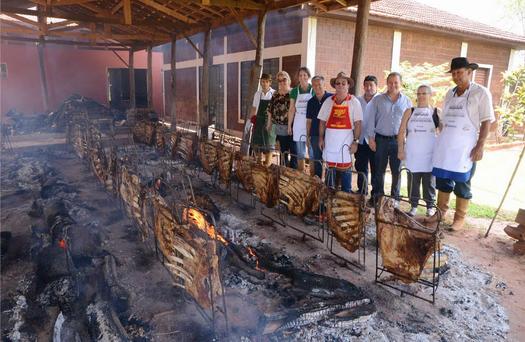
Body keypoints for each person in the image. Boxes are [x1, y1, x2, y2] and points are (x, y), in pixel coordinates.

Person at [432, 57, 495, 230]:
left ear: (469, 72)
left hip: (466, 147)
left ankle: (459, 218)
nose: (456, 76)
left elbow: (487, 121)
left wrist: (480, 145)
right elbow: (443, 120)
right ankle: (439, 214)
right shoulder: (449, 94)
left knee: (463, 181)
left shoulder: (480, 93)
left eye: (459, 72)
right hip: (446, 145)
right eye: (453, 73)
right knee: (443, 180)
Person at [367, 72, 412, 205]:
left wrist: (407, 142)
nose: (393, 85)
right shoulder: (378, 100)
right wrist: (371, 138)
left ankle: (395, 199)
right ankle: (378, 197)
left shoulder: (407, 101)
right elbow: (371, 120)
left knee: (396, 171)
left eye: (396, 82)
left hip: (398, 141)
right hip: (380, 140)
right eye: (390, 82)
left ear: (401, 83)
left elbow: (409, 122)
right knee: (378, 170)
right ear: (387, 83)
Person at [398, 85, 440, 216]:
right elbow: (401, 132)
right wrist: (400, 149)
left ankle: (430, 206)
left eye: (424, 93)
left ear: (430, 95)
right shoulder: (409, 111)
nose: (421, 96)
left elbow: (444, 132)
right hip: (412, 153)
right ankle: (414, 206)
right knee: (413, 181)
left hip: (430, 154)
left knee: (429, 182)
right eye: (419, 93)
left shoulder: (436, 112)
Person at [318, 72, 362, 193]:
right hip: (330, 145)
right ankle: (328, 204)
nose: (341, 85)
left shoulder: (354, 102)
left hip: (345, 146)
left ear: (348, 85)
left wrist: (355, 142)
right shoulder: (328, 101)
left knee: (346, 180)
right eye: (338, 83)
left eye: (343, 83)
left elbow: (358, 124)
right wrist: (321, 138)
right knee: (329, 179)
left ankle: (346, 201)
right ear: (335, 86)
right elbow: (322, 122)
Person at [355, 75, 378, 197]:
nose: (369, 88)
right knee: (360, 165)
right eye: (366, 85)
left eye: (371, 85)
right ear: (363, 86)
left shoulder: (380, 100)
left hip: (375, 140)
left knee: (375, 167)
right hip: (361, 139)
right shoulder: (357, 100)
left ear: (376, 87)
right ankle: (362, 190)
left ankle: (375, 194)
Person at [288, 67, 313, 171]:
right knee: (300, 152)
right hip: (298, 124)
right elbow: (292, 109)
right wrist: (289, 125)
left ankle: (313, 176)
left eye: (305, 75)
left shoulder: (313, 89)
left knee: (312, 153)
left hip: (311, 124)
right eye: (300, 75)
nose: (302, 77)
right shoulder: (294, 91)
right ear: (298, 77)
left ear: (308, 76)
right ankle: (301, 173)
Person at [306, 75, 332, 178]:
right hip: (315, 135)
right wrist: (308, 136)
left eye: (319, 85)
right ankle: (318, 183)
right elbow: (308, 121)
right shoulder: (311, 102)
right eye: (314, 85)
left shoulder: (331, 98)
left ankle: (329, 184)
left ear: (324, 84)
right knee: (317, 160)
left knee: (330, 160)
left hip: (330, 134)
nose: (317, 87)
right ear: (312, 86)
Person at [266, 71, 292, 167]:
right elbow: (270, 110)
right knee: (282, 151)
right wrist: (269, 124)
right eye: (279, 80)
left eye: (283, 79)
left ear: (288, 80)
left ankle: (292, 174)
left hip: (292, 126)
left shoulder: (293, 93)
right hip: (280, 127)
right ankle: (282, 171)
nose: (281, 82)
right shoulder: (275, 94)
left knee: (293, 152)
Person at [250, 73, 276, 166]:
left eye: (266, 82)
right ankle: (259, 165)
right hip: (259, 122)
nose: (264, 83)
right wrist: (250, 122)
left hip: (270, 123)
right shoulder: (257, 94)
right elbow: (254, 108)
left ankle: (267, 166)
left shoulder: (274, 93)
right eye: (262, 81)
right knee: (257, 146)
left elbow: (275, 110)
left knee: (268, 147)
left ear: (270, 83)